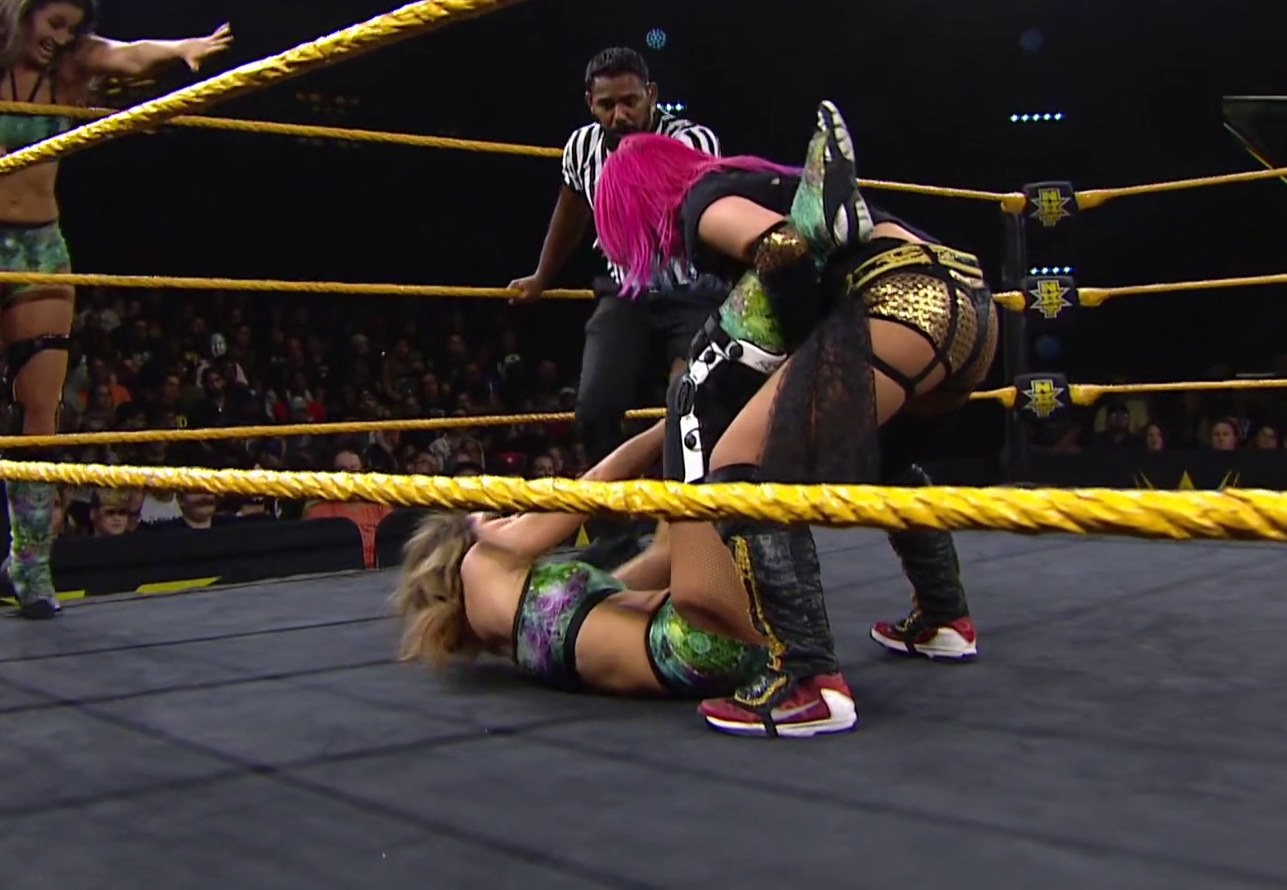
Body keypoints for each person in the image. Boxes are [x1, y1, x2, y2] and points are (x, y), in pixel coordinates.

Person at [592, 101, 994, 738]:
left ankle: (806, 681)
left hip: (893, 302)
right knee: (887, 463)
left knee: (740, 466)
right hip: (965, 300)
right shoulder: (755, 178)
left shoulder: (700, 199)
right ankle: (945, 618)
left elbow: (780, 248)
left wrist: (808, 348)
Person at [0, 0, 231, 629]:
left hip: (41, 246)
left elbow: (125, 54)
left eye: (71, 28)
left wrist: (179, 48)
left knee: (41, 414)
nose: (59, 38)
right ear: (25, 7)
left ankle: (29, 564)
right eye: (53, 23)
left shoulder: (71, 63)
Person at [510, 47, 727, 569]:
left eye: (630, 101)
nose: (620, 115)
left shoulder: (690, 141)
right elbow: (569, 211)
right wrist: (542, 276)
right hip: (625, 290)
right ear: (590, 102)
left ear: (652, 95)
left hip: (692, 289)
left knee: (689, 401)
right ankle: (613, 537)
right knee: (593, 406)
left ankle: (694, 533)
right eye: (607, 104)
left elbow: (720, 212)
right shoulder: (582, 148)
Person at [392, 420, 766, 699]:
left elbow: (663, 554)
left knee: (716, 449)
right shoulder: (479, 564)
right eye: (496, 518)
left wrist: (672, 440)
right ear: (463, 543)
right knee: (723, 449)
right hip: (696, 643)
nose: (514, 517)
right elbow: (597, 481)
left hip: (711, 657)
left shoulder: (536, 614)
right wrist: (672, 420)